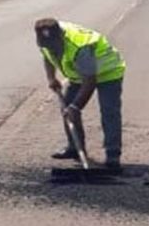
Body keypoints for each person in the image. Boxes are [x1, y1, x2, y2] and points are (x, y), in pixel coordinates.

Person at [34, 18, 126, 172]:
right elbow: (48, 56)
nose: (52, 48)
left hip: (109, 72)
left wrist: (76, 107)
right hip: (78, 75)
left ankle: (112, 155)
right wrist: (51, 77)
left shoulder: (79, 46)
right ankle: (74, 148)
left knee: (109, 112)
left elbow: (89, 81)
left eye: (55, 45)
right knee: (67, 108)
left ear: (61, 37)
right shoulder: (45, 40)